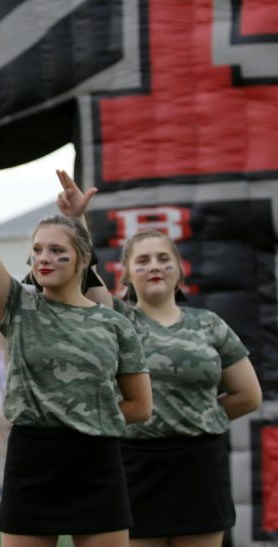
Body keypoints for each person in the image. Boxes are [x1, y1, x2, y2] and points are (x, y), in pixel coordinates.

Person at [54, 171, 263, 547]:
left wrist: (198, 416)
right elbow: (83, 274)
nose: (155, 266)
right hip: (133, 464)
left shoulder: (209, 324)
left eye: (164, 259)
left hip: (200, 466)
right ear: (127, 273)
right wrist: (75, 219)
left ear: (180, 271)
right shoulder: (116, 318)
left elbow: (248, 395)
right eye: (144, 260)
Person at [0, 153, 152, 546]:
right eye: (39, 250)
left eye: (58, 252)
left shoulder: (112, 322)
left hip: (97, 460)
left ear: (82, 260)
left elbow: (140, 406)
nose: (45, 259)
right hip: (33, 457)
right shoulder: (18, 306)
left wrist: (86, 417)